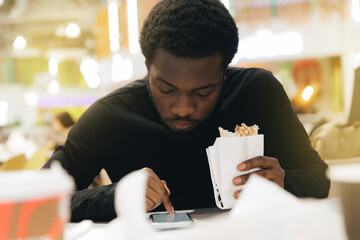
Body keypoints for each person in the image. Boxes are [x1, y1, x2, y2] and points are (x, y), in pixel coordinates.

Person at [44, 0, 330, 222]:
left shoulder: (259, 93)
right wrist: (116, 195)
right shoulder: (110, 116)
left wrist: (284, 181)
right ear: (147, 66)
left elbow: (320, 177)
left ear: (224, 71)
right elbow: (40, 200)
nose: (183, 108)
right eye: (166, 89)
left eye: (203, 91)